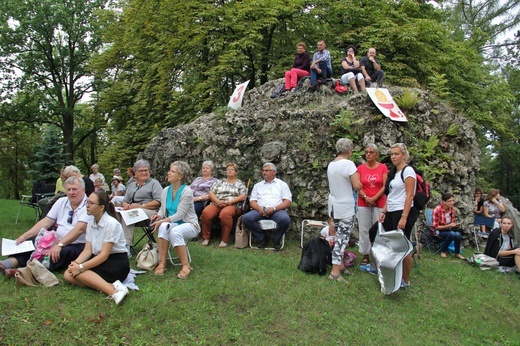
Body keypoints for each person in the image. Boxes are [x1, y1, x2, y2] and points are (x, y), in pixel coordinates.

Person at [0, 177, 92, 276]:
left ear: (83, 190)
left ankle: (25, 271)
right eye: (68, 189)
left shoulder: (89, 205)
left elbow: (79, 229)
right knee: (32, 241)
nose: (71, 192)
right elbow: (46, 222)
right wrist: (24, 237)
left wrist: (59, 245)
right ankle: (8, 263)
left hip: (78, 244)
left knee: (61, 252)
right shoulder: (62, 201)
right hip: (58, 239)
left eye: (74, 189)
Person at [64, 191, 130, 305]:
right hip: (99, 259)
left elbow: (104, 255)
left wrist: (80, 267)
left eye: (91, 203)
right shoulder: (90, 223)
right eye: (87, 202)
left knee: (80, 273)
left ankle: (114, 292)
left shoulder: (111, 224)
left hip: (116, 262)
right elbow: (87, 250)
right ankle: (110, 286)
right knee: (68, 274)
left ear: (101, 207)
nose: (87, 206)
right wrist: (75, 263)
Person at [377, 143, 418, 288]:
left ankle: (405, 280)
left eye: (397, 154)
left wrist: (404, 216)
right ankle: (389, 270)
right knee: (380, 237)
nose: (393, 156)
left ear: (404, 155)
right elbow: (391, 195)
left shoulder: (408, 171)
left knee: (403, 245)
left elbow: (410, 194)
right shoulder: (394, 172)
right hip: (391, 210)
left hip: (403, 211)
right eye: (392, 154)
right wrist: (383, 211)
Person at [150, 161, 200, 278]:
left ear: (181, 176)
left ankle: (186, 265)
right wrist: (158, 216)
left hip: (189, 224)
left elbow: (180, 215)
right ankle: (162, 263)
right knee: (163, 227)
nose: (168, 173)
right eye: (169, 170)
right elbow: (163, 209)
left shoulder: (187, 191)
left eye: (172, 171)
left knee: (174, 231)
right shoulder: (165, 190)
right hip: (173, 223)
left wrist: (162, 221)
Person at [326, 138, 362, 282]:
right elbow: (357, 185)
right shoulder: (348, 164)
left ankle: (340, 265)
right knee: (342, 238)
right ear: (349, 151)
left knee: (338, 236)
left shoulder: (331, 164)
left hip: (334, 205)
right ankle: (334, 272)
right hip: (346, 206)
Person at [242, 162, 292, 250]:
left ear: (274, 172)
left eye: (267, 171)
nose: (264, 172)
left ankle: (276, 239)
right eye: (263, 170)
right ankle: (262, 237)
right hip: (259, 210)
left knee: (285, 219)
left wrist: (274, 208)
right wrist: (259, 208)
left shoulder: (282, 185)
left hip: (277, 211)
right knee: (246, 218)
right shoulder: (258, 186)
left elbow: (287, 202)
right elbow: (252, 201)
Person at [120, 159, 162, 253]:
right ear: (135, 173)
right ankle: (115, 245)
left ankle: (126, 248)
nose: (144, 172)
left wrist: (140, 206)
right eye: (141, 171)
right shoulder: (132, 185)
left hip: (151, 213)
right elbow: (124, 201)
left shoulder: (154, 183)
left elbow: (158, 201)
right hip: (134, 212)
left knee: (128, 215)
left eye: (146, 170)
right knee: (115, 214)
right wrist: (126, 204)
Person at [200, 163, 246, 247]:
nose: (229, 171)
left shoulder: (240, 183)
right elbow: (211, 193)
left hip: (232, 204)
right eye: (228, 170)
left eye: (232, 169)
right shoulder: (219, 182)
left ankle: (224, 240)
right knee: (206, 213)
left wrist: (230, 202)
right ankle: (206, 238)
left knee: (225, 214)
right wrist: (217, 201)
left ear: (236, 172)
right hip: (217, 202)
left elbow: (243, 196)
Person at [356, 144, 388, 266]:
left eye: (371, 152)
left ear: (377, 155)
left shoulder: (383, 168)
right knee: (364, 228)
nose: (368, 154)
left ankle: (378, 253)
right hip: (363, 201)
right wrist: (366, 198)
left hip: (379, 201)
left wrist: (374, 198)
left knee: (378, 228)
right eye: (367, 152)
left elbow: (385, 185)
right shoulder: (360, 168)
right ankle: (365, 253)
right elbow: (358, 185)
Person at [431, 193, 466, 260]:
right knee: (452, 234)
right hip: (437, 232)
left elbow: (452, 223)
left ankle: (457, 253)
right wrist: (448, 225)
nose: (452, 202)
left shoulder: (452, 210)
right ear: (444, 202)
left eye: (453, 200)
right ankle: (443, 251)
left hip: (448, 230)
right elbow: (435, 227)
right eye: (450, 201)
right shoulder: (437, 209)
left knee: (458, 234)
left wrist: (454, 225)